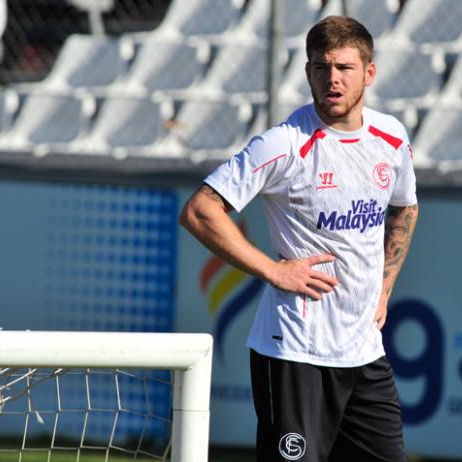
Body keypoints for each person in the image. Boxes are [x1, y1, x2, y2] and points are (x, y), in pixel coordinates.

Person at [180, 15, 418, 462]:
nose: (332, 79)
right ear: (307, 72)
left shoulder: (391, 138)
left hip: (364, 353)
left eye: (345, 68)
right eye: (321, 67)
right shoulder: (285, 144)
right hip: (295, 353)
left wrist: (384, 287)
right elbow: (199, 210)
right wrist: (272, 270)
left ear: (369, 72)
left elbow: (405, 207)